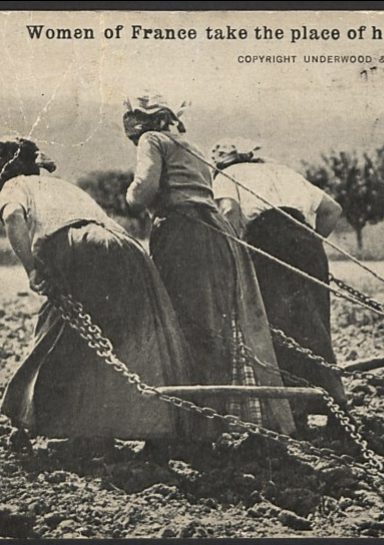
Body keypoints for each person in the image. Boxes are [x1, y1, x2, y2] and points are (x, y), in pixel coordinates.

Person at [0, 136, 202, 452]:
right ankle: (163, 430)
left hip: (80, 246)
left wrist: (31, 268)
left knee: (58, 332)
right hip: (126, 247)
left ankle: (28, 418)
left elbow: (12, 218)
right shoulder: (61, 186)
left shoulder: (14, 187)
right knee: (139, 336)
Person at [123, 93, 295, 437]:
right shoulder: (193, 146)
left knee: (185, 326)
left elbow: (143, 190)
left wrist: (128, 198)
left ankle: (194, 428)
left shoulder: (151, 141)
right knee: (212, 327)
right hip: (215, 234)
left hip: (182, 233)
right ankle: (212, 420)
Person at [211, 139, 348, 428]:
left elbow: (229, 212)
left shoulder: (226, 176)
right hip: (307, 243)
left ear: (223, 161)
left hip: (266, 243)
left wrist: (236, 254)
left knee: (276, 324)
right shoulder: (284, 172)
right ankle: (335, 404)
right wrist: (307, 245)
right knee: (315, 324)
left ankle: (292, 409)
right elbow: (332, 210)